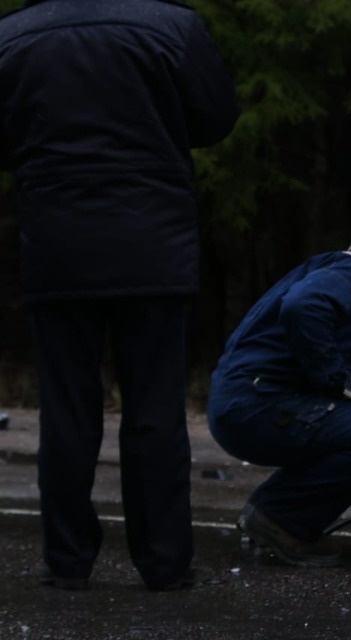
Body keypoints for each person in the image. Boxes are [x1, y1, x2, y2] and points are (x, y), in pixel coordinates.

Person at [0, 0, 240, 591]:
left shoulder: (11, 36)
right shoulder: (170, 26)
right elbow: (216, 117)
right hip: (150, 242)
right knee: (155, 412)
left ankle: (67, 562)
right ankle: (163, 562)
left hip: (57, 243)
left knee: (66, 412)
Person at [207, 201, 351, 567]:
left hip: (250, 403)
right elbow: (302, 306)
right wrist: (339, 380)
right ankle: (280, 520)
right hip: (254, 404)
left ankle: (273, 513)